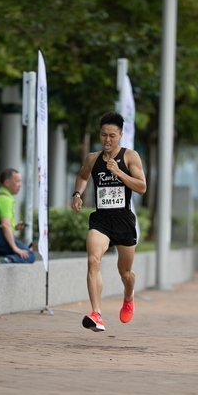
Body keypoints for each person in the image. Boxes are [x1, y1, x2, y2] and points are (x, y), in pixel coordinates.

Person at [71, 111, 146, 332]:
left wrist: (118, 172)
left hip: (124, 221)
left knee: (125, 274)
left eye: (112, 135)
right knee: (93, 260)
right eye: (104, 135)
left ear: (121, 134)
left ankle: (129, 295)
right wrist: (77, 194)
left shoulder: (130, 157)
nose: (107, 140)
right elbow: (83, 176)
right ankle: (97, 314)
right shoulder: (93, 159)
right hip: (101, 220)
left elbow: (142, 187)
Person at [0, 168, 35, 265]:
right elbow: (5, 226)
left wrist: (14, 226)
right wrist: (15, 248)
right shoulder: (5, 199)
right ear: (7, 182)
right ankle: (5, 261)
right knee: (30, 255)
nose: (20, 185)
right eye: (17, 181)